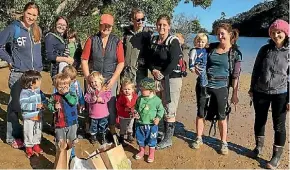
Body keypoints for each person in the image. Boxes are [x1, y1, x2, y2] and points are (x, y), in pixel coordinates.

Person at [194, 23, 242, 155]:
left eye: (222, 34)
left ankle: (223, 143)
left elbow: (236, 76)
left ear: (230, 34)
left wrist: (234, 94)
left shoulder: (235, 53)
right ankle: (198, 138)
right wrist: (195, 67)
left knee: (222, 116)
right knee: (200, 112)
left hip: (222, 87)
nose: (220, 36)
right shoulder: (211, 48)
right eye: (218, 34)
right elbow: (197, 55)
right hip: (204, 85)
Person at [0, 2, 42, 149]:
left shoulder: (37, 30)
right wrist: (10, 60)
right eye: (29, 13)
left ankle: (29, 137)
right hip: (19, 74)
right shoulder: (14, 28)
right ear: (24, 12)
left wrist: (39, 69)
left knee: (32, 108)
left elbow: (37, 53)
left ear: (37, 17)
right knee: (15, 106)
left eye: (34, 15)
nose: (31, 17)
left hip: (34, 76)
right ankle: (13, 136)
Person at [249, 19, 289, 169]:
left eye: (279, 32)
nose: (276, 35)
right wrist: (252, 88)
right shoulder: (264, 49)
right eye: (273, 32)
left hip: (281, 93)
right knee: (260, 120)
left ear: (286, 33)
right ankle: (258, 148)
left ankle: (276, 156)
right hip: (261, 91)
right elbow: (256, 69)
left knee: (279, 125)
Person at [81, 13, 125, 136]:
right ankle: (89, 128)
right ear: (100, 25)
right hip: (94, 79)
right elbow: (84, 59)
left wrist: (113, 81)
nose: (106, 27)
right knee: (91, 102)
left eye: (109, 25)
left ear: (112, 26)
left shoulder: (117, 42)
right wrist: (88, 78)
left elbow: (121, 63)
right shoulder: (91, 40)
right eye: (104, 25)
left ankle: (110, 128)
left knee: (110, 105)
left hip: (110, 78)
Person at [147, 14, 183, 150]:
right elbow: (149, 58)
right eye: (159, 24)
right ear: (156, 25)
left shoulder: (173, 41)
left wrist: (163, 73)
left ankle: (168, 139)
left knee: (169, 107)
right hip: (157, 77)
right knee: (158, 105)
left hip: (172, 78)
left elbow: (174, 61)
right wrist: (153, 70)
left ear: (169, 26)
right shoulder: (154, 40)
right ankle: (161, 133)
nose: (161, 27)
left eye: (164, 25)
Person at [48, 73, 78, 160]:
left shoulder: (72, 94)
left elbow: (73, 102)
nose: (63, 89)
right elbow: (50, 107)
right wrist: (54, 107)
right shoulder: (54, 97)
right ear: (56, 87)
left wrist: (66, 94)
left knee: (71, 140)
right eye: (60, 87)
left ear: (69, 85)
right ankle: (61, 155)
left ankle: (71, 155)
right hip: (59, 123)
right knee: (60, 141)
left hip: (71, 123)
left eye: (65, 86)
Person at [134, 77, 165, 163]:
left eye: (143, 89)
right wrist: (135, 112)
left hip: (152, 125)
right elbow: (136, 107)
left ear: (151, 90)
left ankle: (151, 153)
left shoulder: (157, 101)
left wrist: (158, 118)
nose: (141, 90)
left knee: (152, 140)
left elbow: (161, 110)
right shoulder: (140, 98)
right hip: (140, 123)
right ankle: (142, 151)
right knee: (140, 138)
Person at [188, 33, 210, 149]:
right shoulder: (194, 50)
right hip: (200, 69)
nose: (200, 43)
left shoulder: (207, 49)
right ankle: (204, 90)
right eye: (199, 41)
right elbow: (191, 62)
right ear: (195, 41)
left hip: (206, 69)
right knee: (202, 78)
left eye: (203, 42)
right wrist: (192, 67)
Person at [19, 70, 47, 158]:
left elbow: (43, 98)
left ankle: (36, 144)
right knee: (28, 131)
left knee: (37, 130)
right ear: (31, 83)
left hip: (38, 115)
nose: (40, 82)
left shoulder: (39, 90)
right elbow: (23, 105)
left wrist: (45, 103)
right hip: (29, 117)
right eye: (39, 80)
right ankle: (28, 147)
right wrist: (36, 105)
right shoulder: (24, 93)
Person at [121, 8, 151, 88]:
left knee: (140, 97)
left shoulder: (147, 35)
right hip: (126, 72)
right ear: (132, 20)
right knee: (126, 97)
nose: (141, 22)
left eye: (143, 19)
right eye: (138, 20)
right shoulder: (126, 35)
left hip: (140, 72)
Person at [84, 71, 111, 144]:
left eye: (95, 81)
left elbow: (108, 96)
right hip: (93, 114)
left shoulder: (105, 89)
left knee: (103, 126)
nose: (94, 83)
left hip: (103, 114)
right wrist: (92, 99)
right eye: (92, 82)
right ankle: (93, 136)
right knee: (93, 126)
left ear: (100, 81)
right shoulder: (90, 91)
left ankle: (103, 137)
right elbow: (86, 98)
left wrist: (102, 99)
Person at [116, 78, 138, 146]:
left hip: (132, 116)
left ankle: (129, 135)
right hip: (123, 115)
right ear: (122, 89)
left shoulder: (135, 96)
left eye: (129, 89)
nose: (127, 91)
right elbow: (118, 106)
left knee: (130, 126)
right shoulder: (122, 97)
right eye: (125, 89)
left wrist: (135, 110)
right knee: (123, 127)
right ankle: (121, 138)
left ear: (133, 90)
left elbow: (137, 104)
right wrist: (124, 109)